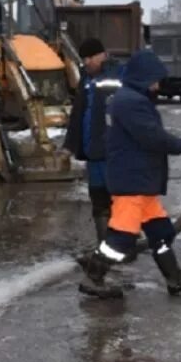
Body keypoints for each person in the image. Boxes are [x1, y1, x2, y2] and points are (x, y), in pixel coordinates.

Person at [79, 49, 181, 299]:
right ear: (142, 77)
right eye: (155, 79)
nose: (158, 85)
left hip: (141, 183)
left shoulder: (131, 99)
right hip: (131, 182)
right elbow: (152, 137)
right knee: (121, 237)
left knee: (161, 233)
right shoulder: (130, 102)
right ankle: (93, 277)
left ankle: (175, 278)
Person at [63, 37, 121, 262]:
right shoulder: (86, 79)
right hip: (93, 152)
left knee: (117, 201)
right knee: (98, 201)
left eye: (90, 58)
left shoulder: (116, 76)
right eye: (84, 58)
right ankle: (105, 249)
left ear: (102, 55)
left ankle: (118, 248)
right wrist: (69, 146)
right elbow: (78, 114)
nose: (86, 62)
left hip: (112, 153)